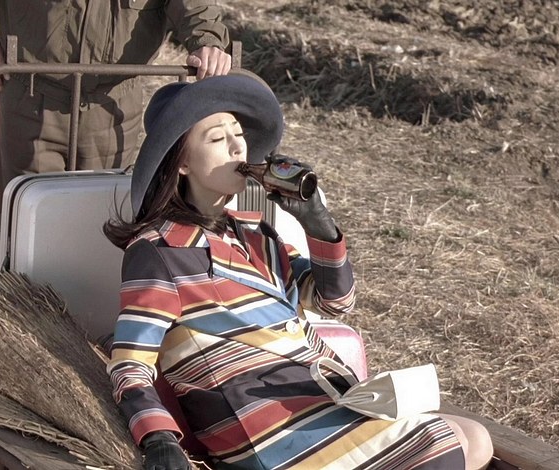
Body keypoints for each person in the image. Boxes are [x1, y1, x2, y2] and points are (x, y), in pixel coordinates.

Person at [103, 74, 494, 470]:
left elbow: (336, 302)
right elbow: (130, 363)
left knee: (475, 439)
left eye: (239, 133)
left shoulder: (257, 233)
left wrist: (318, 225)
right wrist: (158, 438)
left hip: (321, 402)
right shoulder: (159, 250)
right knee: (448, 442)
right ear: (182, 163)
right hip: (265, 429)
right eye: (218, 138)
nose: (238, 146)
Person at [0, 0, 233, 199]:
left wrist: (207, 40)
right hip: (32, 94)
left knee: (100, 218)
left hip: (113, 104)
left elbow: (195, 6)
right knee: (28, 218)